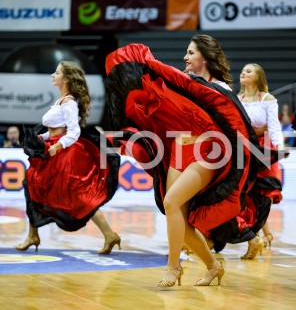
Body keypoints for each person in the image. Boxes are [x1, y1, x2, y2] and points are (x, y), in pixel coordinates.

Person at [104, 43, 259, 288]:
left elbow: (235, 125)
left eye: (191, 52)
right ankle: (213, 266)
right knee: (178, 218)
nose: (184, 57)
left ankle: (173, 268)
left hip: (207, 152)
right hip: (178, 150)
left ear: (205, 58)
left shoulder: (219, 87)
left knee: (171, 202)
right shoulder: (179, 83)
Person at [15, 61, 120, 254]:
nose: (53, 76)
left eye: (56, 73)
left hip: (64, 153)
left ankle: (110, 234)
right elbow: (56, 130)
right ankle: (33, 234)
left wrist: (57, 145)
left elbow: (74, 132)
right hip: (53, 149)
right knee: (32, 186)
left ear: (66, 80)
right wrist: (43, 137)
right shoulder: (60, 102)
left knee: (76, 198)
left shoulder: (70, 103)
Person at [237, 63, 284, 258]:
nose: (243, 73)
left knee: (263, 193)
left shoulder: (267, 99)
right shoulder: (237, 99)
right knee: (245, 195)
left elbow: (274, 127)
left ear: (258, 77)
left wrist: (280, 148)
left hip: (264, 150)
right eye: (242, 70)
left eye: (248, 71)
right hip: (244, 149)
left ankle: (257, 238)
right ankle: (257, 238)